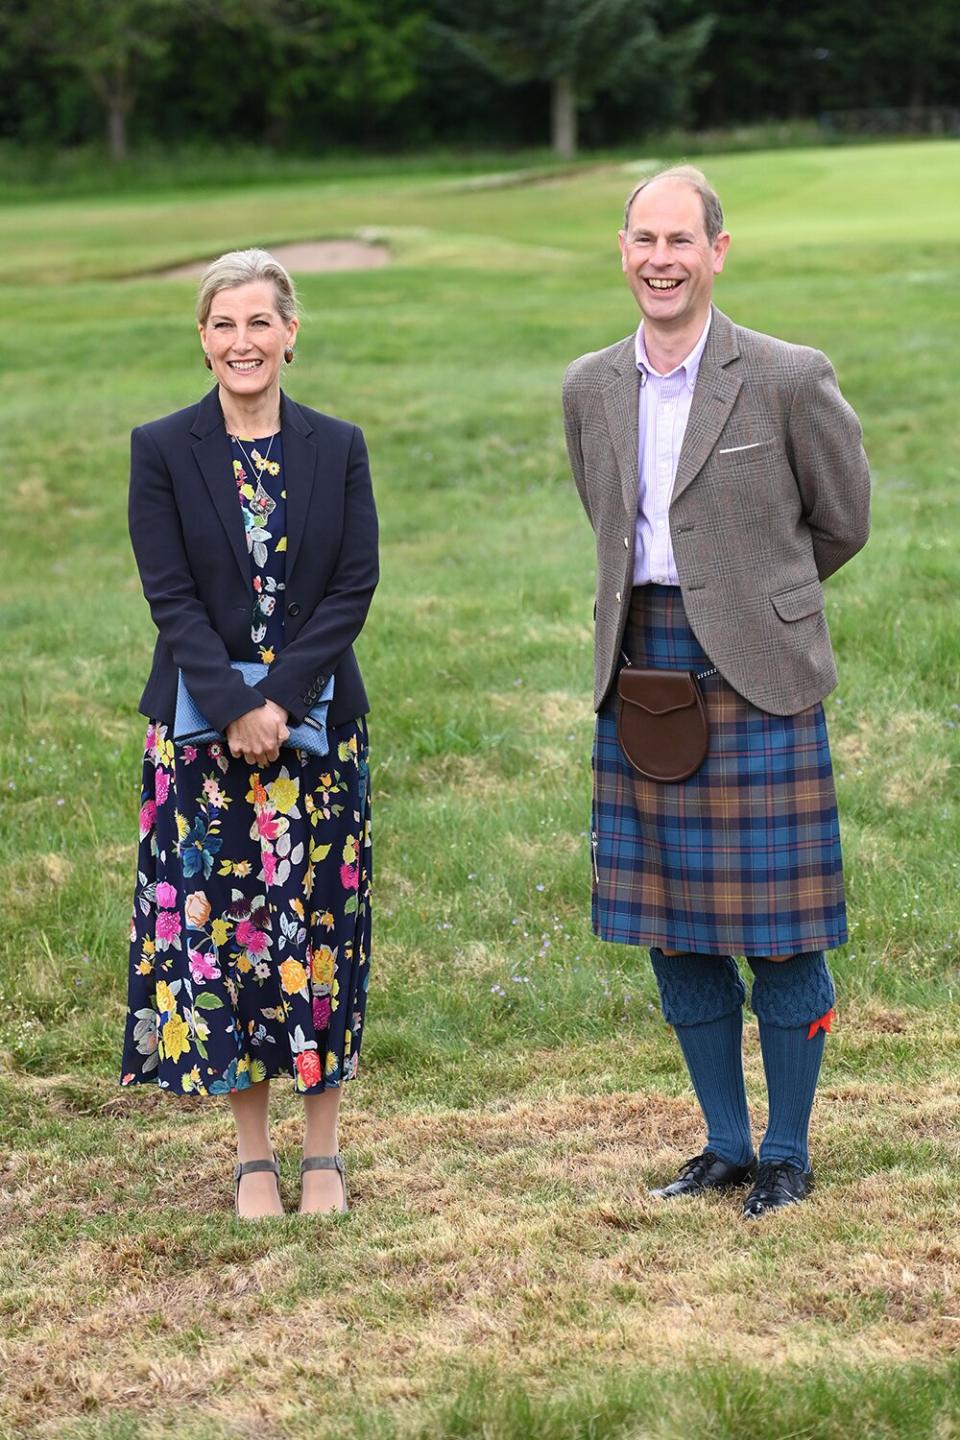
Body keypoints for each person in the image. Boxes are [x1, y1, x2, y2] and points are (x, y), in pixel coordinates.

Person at [562, 167, 870, 1218]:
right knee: (676, 927)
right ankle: (725, 1146)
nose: (661, 260)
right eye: (644, 240)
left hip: (761, 678)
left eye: (680, 241)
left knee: (783, 928)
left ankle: (788, 1150)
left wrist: (756, 604)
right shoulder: (588, 386)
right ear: (623, 249)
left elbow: (844, 519)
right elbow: (606, 519)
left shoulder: (787, 376)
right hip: (641, 668)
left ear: (718, 252)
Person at [120, 248, 378, 1219]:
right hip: (201, 738)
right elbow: (169, 593)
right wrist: (235, 705)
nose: (243, 342)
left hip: (318, 741)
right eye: (224, 325)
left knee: (316, 936)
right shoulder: (161, 449)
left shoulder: (337, 445)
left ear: (291, 333)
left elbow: (353, 584)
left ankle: (323, 1155)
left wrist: (283, 699)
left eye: (260, 322)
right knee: (225, 943)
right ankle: (252, 1158)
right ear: (202, 338)